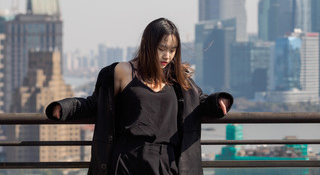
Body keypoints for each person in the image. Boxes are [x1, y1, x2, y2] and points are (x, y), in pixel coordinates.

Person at [46, 18, 233, 175]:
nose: (167, 55)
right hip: (127, 160)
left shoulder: (179, 80)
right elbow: (94, 104)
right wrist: (63, 108)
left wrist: (219, 102)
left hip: (166, 162)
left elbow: (200, 102)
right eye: (162, 48)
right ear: (147, 44)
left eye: (173, 50)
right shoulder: (123, 72)